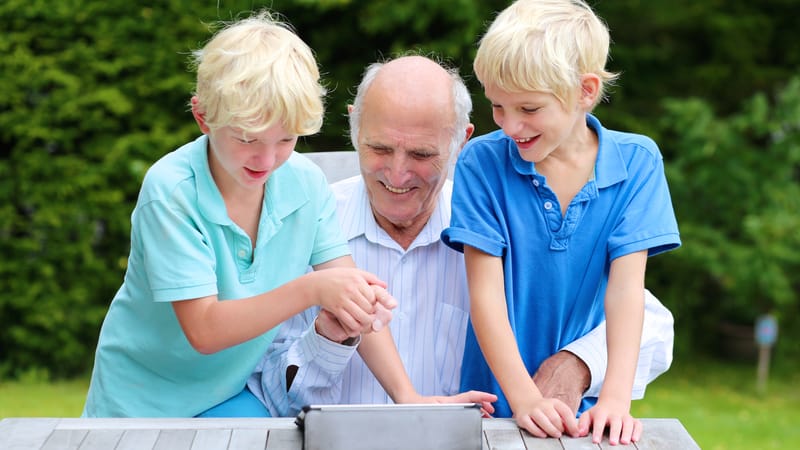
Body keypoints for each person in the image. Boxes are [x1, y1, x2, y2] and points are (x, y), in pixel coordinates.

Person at [248, 55, 675, 421]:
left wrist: (578, 362)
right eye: (379, 149)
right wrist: (324, 341)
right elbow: (269, 396)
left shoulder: (492, 223)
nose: (397, 174)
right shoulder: (300, 228)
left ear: (461, 144)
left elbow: (652, 321)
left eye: (421, 154)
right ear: (354, 128)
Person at [82, 10, 402, 418]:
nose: (266, 159)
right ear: (203, 118)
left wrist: (409, 396)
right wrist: (314, 288)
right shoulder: (171, 192)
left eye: (286, 138)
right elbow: (204, 330)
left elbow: (351, 297)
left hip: (233, 397)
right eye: (247, 138)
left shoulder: (305, 183)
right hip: (138, 410)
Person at [441, 0, 681, 445]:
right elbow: (485, 295)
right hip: (492, 410)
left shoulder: (638, 163)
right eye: (497, 106)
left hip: (585, 417)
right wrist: (526, 399)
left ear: (585, 91)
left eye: (528, 109)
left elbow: (627, 292)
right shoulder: (482, 163)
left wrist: (615, 398)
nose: (510, 125)